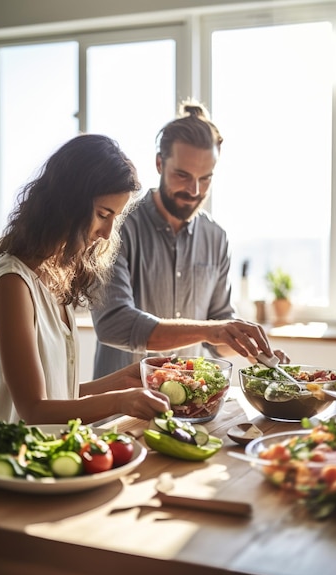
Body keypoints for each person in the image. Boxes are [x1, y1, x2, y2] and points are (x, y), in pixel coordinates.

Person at [91, 100, 288, 378]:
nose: (194, 190)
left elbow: (217, 337)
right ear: (160, 163)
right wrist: (214, 329)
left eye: (205, 178)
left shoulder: (216, 237)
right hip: (119, 408)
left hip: (188, 412)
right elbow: (113, 323)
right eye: (182, 175)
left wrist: (251, 348)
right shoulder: (117, 225)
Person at [0, 133, 171, 426]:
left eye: (115, 218)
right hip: (15, 466)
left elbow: (60, 396)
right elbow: (34, 409)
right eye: (102, 214)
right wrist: (121, 402)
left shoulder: (55, 279)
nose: (107, 233)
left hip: (52, 460)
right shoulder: (13, 283)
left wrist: (123, 380)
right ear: (68, 203)